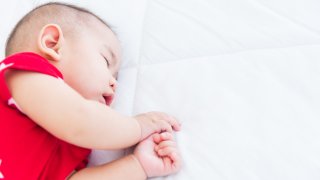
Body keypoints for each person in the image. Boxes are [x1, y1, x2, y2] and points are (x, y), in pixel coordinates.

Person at [0, 2, 182, 179]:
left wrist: (139, 165)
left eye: (116, 77)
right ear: (52, 43)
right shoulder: (18, 73)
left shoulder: (70, 144)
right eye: (105, 61)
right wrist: (138, 127)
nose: (114, 83)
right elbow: (79, 119)